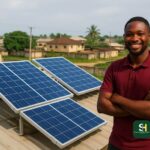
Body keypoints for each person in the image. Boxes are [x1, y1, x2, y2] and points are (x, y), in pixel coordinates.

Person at [97, 16, 150, 150]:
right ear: (124, 37)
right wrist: (140, 108)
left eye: (140, 34)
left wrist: (117, 98)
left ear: (148, 36)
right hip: (116, 144)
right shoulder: (115, 67)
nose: (134, 38)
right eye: (129, 34)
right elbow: (102, 106)